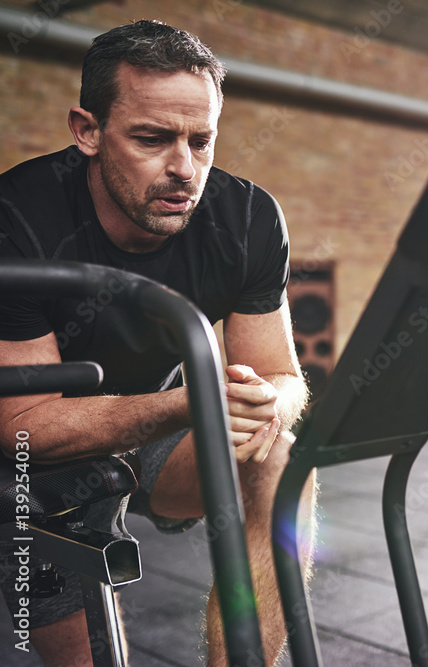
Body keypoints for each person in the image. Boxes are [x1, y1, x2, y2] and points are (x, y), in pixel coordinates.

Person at [0, 20, 312, 667]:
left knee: (277, 462)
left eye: (202, 141)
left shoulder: (247, 218)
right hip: (30, 461)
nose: (183, 168)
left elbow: (285, 375)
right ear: (87, 130)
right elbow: (27, 427)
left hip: (152, 427)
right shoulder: (19, 216)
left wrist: (265, 402)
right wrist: (197, 399)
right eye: (152, 138)